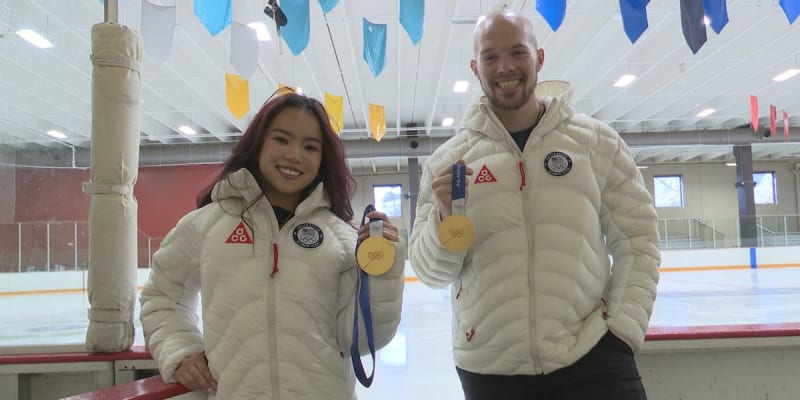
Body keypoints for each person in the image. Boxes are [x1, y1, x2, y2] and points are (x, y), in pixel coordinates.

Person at [408, 9, 661, 400]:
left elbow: (639, 240)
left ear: (539, 59)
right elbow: (430, 273)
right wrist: (443, 222)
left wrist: (621, 331)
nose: (505, 66)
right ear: (476, 68)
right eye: (490, 57)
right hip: (490, 367)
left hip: (593, 358)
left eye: (517, 52)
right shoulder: (449, 161)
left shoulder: (597, 144)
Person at [140, 89, 405, 399]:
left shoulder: (341, 238)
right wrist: (180, 348)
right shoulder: (207, 224)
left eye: (310, 147)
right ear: (259, 143)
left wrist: (383, 271)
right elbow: (161, 297)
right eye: (281, 139)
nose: (294, 155)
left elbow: (357, 341)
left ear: (322, 159)